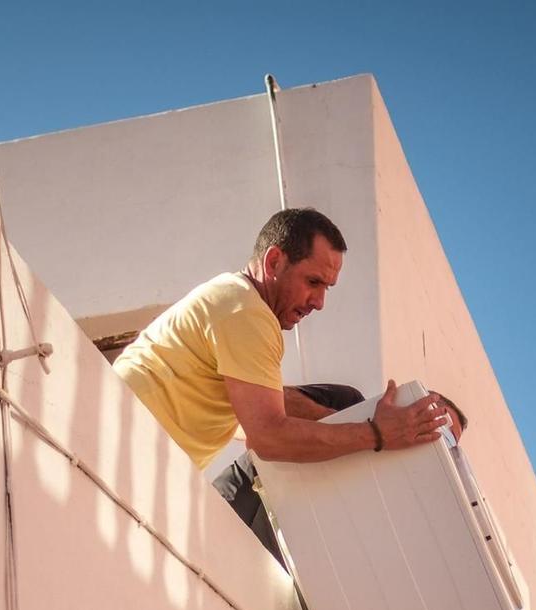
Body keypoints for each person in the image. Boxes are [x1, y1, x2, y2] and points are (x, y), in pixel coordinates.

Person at [113, 208, 448, 555]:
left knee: (339, 407)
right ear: (274, 262)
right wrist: (375, 434)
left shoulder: (234, 300)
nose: (319, 302)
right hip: (117, 451)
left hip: (130, 456)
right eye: (313, 282)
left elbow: (259, 411)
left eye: (327, 288)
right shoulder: (248, 313)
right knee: (340, 403)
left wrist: (351, 428)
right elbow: (269, 437)